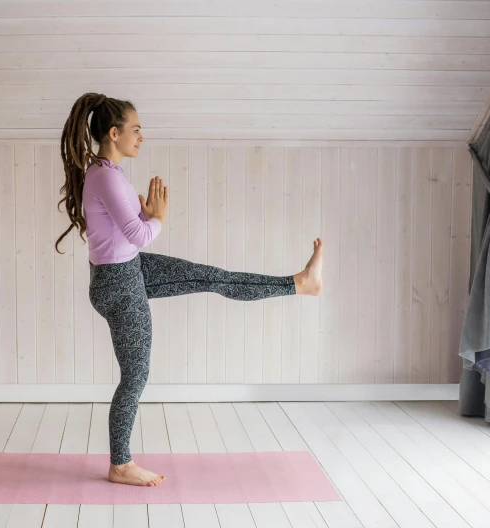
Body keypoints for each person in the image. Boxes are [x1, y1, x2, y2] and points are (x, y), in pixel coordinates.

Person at [55, 93, 323, 487]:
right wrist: (157, 218)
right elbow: (138, 235)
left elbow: (122, 232)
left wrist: (145, 215)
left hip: (127, 272)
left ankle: (299, 283)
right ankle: (120, 463)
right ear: (114, 133)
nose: (141, 137)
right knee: (135, 376)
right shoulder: (107, 175)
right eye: (136, 129)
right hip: (120, 284)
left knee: (211, 276)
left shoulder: (106, 171)